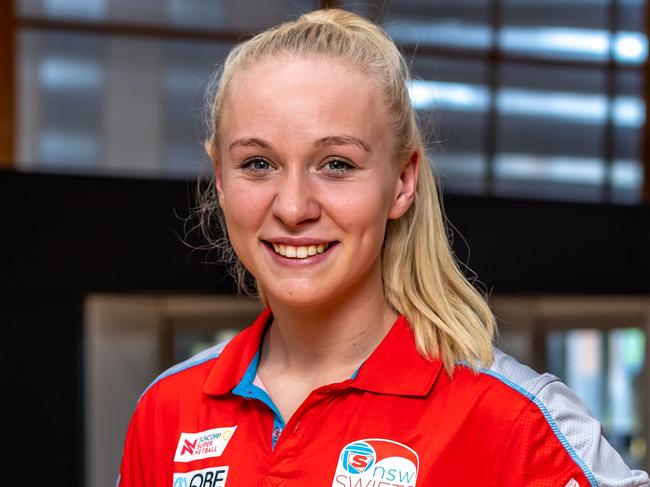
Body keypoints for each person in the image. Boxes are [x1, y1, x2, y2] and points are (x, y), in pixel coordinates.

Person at [118, 8, 649, 487]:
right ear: (221, 182)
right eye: (259, 164)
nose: (293, 207)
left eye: (337, 165)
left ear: (401, 181)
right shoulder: (168, 409)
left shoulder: (514, 420)